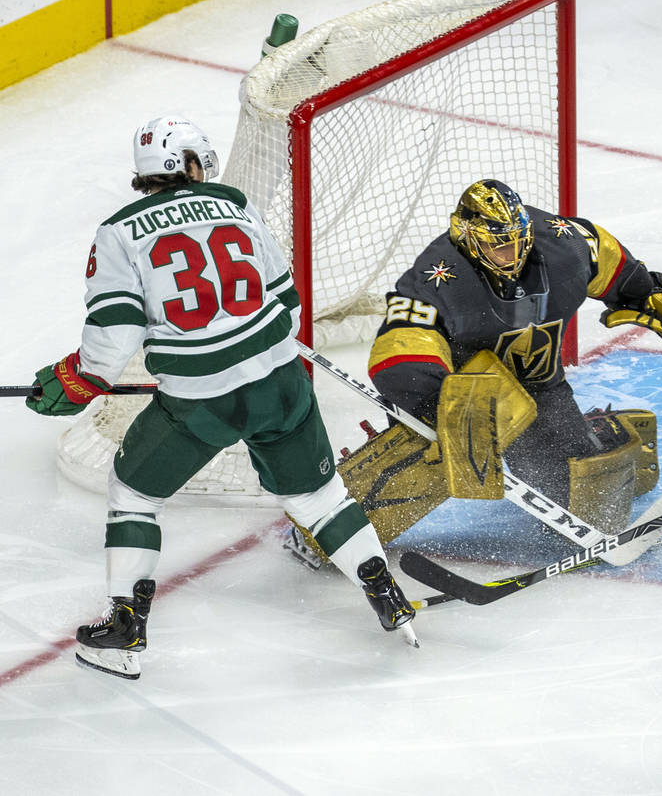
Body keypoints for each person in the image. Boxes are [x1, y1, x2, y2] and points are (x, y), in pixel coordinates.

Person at [26, 115, 415, 680]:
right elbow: (288, 303)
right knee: (320, 499)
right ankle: (388, 596)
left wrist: (76, 379)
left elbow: (111, 339)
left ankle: (125, 630)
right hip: (282, 384)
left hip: (199, 405)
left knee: (132, 492)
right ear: (189, 163)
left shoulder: (119, 231)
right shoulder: (234, 203)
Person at [347, 178, 662, 545]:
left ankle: (598, 431)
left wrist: (652, 294)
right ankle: (336, 524)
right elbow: (399, 351)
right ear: (466, 236)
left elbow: (620, 272)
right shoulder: (435, 276)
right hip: (459, 394)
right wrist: (442, 406)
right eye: (498, 246)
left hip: (540, 387)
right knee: (418, 470)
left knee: (583, 512)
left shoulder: (568, 245)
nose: (511, 255)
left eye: (516, 242)